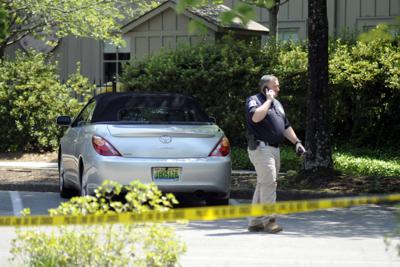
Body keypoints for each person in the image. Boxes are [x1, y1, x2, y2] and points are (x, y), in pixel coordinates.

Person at [245, 74, 305, 233]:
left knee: (264, 183)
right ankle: (269, 221)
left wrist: (297, 142)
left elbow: (285, 126)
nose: (278, 88)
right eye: (275, 86)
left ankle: (255, 221)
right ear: (266, 88)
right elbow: (256, 118)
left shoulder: (278, 104)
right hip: (261, 148)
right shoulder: (255, 100)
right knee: (269, 182)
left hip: (274, 149)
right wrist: (269, 100)